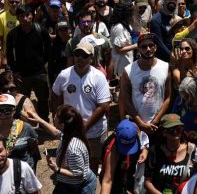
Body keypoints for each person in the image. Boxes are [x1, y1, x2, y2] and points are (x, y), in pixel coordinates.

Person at [51, 40, 111, 173]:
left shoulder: (98, 77)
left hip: (94, 131)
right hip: (69, 129)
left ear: (91, 58)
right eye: (77, 54)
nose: (80, 58)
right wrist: (57, 114)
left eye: (84, 56)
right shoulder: (64, 75)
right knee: (70, 160)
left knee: (92, 161)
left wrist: (84, 127)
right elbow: (55, 94)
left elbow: (103, 106)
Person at [27, 105, 96, 194]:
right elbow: (56, 132)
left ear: (62, 125)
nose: (54, 117)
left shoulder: (73, 149)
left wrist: (57, 169)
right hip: (69, 183)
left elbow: (78, 173)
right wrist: (39, 120)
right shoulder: (68, 134)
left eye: (56, 116)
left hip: (77, 186)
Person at [120, 33, 171, 135]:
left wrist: (156, 120)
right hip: (137, 126)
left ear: (155, 47)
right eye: (144, 47)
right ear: (138, 49)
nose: (148, 49)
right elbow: (126, 99)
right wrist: (140, 123)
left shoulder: (165, 67)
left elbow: (168, 97)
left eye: (151, 45)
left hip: (159, 124)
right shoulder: (128, 71)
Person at [6, 5, 50, 121]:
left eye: (27, 15)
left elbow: (48, 49)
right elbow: (9, 54)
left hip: (39, 72)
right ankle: (24, 124)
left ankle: (44, 123)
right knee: (22, 100)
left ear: (32, 16)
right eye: (22, 16)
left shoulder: (41, 30)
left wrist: (43, 63)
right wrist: (14, 71)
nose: (25, 18)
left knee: (43, 100)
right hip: (22, 74)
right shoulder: (13, 34)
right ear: (17, 18)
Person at [0, 94, 40, 171]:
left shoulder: (26, 128)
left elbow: (34, 150)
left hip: (23, 173)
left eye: (7, 111)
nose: (3, 115)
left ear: (14, 111)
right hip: (0, 174)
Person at [145, 114, 196, 194]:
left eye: (178, 129)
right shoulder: (155, 151)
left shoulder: (192, 150)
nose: (175, 132)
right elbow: (147, 182)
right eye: (171, 130)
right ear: (163, 132)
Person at [100, 119, 149, 194]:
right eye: (124, 147)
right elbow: (107, 182)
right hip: (115, 180)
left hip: (129, 176)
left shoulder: (135, 129)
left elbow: (143, 140)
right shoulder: (113, 150)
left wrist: (144, 150)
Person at [109, 2, 136, 78]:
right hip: (121, 65)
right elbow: (119, 50)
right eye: (130, 13)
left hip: (128, 61)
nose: (132, 15)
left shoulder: (126, 25)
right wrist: (136, 45)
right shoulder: (119, 28)